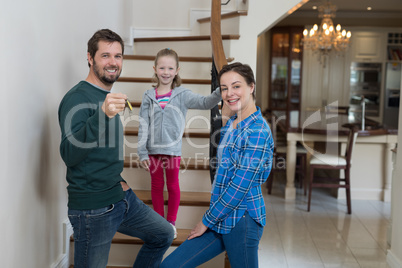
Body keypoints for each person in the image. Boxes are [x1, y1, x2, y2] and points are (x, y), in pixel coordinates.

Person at [58, 29, 174, 268]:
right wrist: (103, 114)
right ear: (90, 58)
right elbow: (70, 154)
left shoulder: (106, 95)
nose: (113, 62)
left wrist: (120, 181)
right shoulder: (77, 98)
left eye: (118, 56)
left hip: (121, 197)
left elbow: (102, 152)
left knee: (163, 234)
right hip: (93, 209)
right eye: (105, 55)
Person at [160, 62, 274, 268]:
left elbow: (239, 187)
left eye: (236, 86)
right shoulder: (231, 122)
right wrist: (212, 218)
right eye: (224, 88)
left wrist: (206, 221)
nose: (229, 93)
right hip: (221, 215)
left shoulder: (258, 131)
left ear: (251, 87)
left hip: (242, 220)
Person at [138, 48, 221, 239]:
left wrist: (220, 91)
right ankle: (160, 224)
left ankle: (171, 223)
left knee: (173, 186)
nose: (166, 72)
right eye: (162, 68)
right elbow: (143, 124)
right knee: (157, 187)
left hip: (173, 151)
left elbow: (206, 102)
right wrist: (142, 152)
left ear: (177, 70)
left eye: (170, 68)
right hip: (152, 151)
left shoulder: (182, 94)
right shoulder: (148, 96)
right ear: (155, 69)